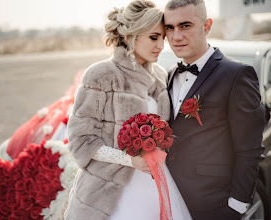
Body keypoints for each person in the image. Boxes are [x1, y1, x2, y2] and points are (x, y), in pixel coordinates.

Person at [65, 0, 191, 219]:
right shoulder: (102, 75)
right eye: (153, 37)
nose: (161, 45)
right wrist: (130, 160)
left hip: (157, 181)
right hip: (107, 191)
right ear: (131, 36)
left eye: (162, 38)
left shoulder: (161, 76)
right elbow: (81, 140)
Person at [163, 0, 265, 219]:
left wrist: (236, 207)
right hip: (170, 200)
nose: (176, 36)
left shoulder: (237, 75)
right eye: (169, 27)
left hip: (214, 206)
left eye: (185, 25)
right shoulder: (170, 74)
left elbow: (250, 150)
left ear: (207, 26)